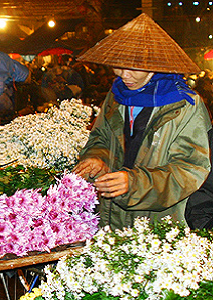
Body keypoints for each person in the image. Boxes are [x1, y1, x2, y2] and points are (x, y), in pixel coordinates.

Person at [73, 13, 212, 230]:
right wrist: (98, 159)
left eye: (132, 67)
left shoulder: (185, 104)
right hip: (112, 218)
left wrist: (136, 183)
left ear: (156, 63)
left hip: (159, 225)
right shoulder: (116, 96)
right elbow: (101, 138)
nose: (123, 75)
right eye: (118, 66)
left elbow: (191, 169)